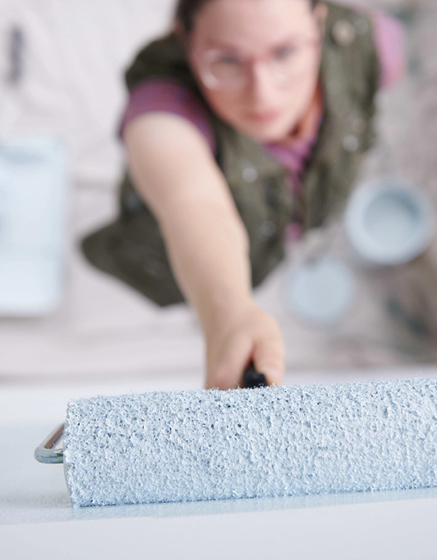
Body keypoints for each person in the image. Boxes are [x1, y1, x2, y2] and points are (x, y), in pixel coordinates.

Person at [82, 0, 404, 390]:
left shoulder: (371, 45)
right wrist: (229, 315)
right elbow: (193, 203)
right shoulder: (160, 103)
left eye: (285, 52)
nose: (264, 97)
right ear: (184, 39)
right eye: (227, 61)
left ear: (319, 23)